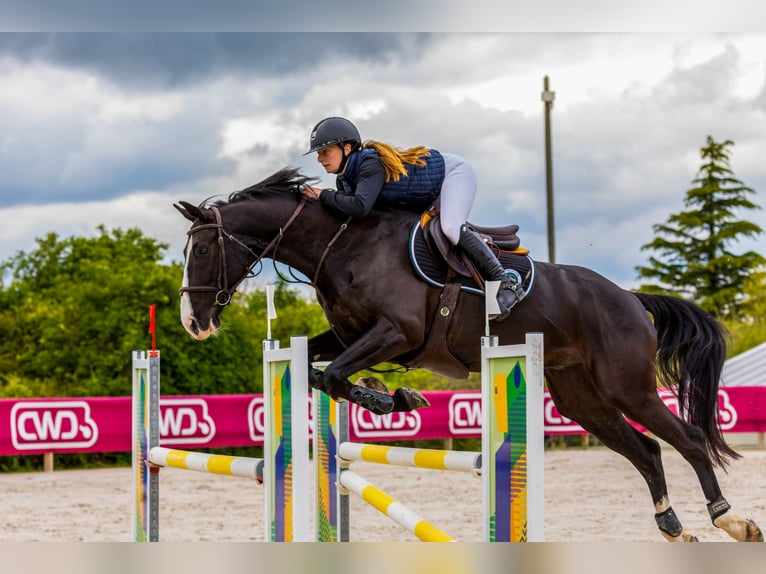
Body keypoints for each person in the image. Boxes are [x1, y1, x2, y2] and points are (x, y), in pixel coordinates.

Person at [302, 116, 523, 320]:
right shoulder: (345, 179)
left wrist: (322, 194)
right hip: (428, 194)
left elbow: (360, 207)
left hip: (453, 174)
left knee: (451, 228)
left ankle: (505, 282)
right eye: (319, 154)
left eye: (325, 152)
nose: (320, 159)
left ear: (347, 148)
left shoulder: (369, 163)